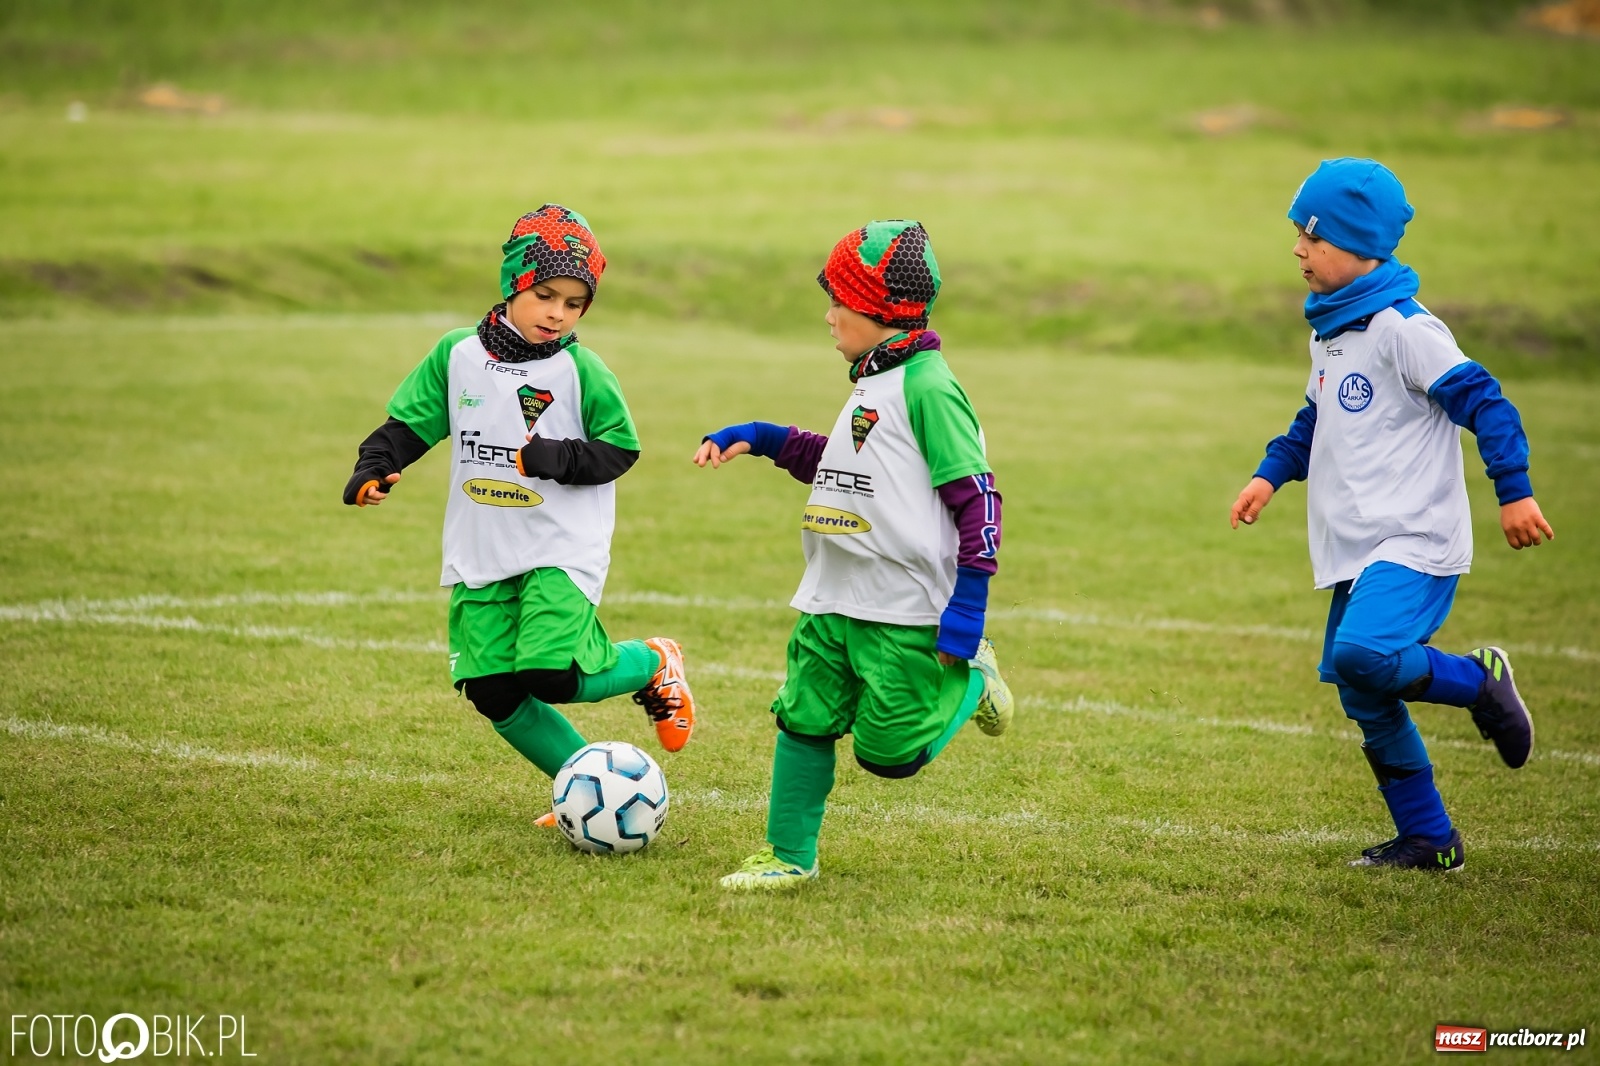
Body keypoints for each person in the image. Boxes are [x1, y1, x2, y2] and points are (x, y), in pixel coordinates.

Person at [1230, 159, 1554, 871]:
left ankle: (1480, 681)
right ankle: (1430, 839)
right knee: (1363, 692)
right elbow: (1312, 420)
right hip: (1358, 546)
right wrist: (1270, 475)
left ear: (1355, 245)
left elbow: (1487, 401)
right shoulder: (1331, 332)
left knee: (1362, 656)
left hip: (1414, 540)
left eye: (1310, 237)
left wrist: (1515, 490)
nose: (1298, 251)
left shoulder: (1406, 329)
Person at [343, 205, 695, 815]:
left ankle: (652, 662)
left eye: (575, 303)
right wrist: (375, 465)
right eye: (544, 295)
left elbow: (620, 449)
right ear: (513, 285)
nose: (557, 313)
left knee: (550, 673)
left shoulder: (582, 369)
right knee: (490, 688)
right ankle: (584, 787)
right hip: (482, 550)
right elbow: (410, 424)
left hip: (560, 546)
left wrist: (559, 457)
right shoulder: (456, 355)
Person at [695, 219, 1013, 890]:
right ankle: (789, 855)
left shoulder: (926, 387)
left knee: (889, 759)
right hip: (832, 594)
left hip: (901, 607)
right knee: (803, 716)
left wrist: (970, 607)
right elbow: (838, 462)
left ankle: (974, 681)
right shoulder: (874, 378)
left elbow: (979, 499)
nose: (829, 314)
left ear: (882, 308)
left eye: (840, 298)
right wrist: (759, 436)